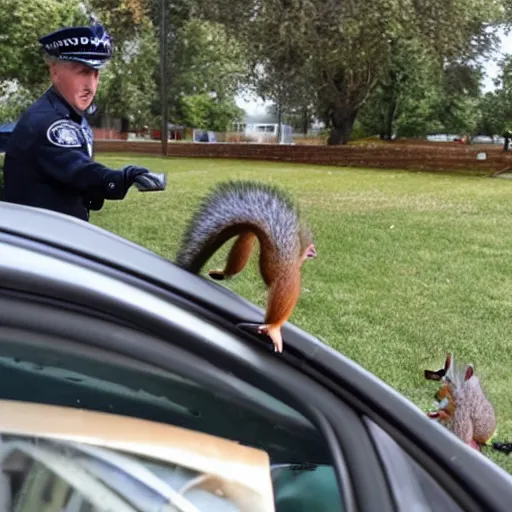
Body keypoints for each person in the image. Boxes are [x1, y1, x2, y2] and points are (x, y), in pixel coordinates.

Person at [3, 22, 163, 222]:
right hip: (41, 240)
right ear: (54, 71)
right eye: (83, 72)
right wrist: (119, 178)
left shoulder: (67, 114)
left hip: (50, 231)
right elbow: (78, 169)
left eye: (96, 74)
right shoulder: (48, 123)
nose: (91, 86)